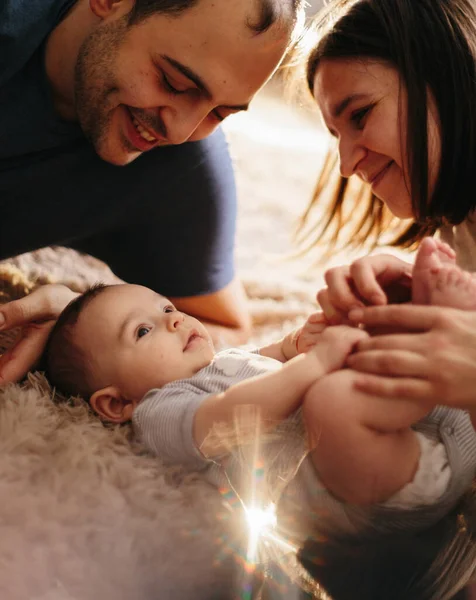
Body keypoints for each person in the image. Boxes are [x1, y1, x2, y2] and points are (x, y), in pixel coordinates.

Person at [41, 239, 476, 599]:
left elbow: (278, 354)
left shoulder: (224, 360)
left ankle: (436, 340)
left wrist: (302, 342)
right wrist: (315, 363)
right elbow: (228, 419)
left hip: (434, 425)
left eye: (167, 308)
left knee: (358, 351)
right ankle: (430, 344)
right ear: (116, 404)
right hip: (380, 486)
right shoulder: (158, 410)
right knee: (331, 399)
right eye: (143, 331)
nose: (172, 322)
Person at [0, 0, 305, 383]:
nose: (180, 132)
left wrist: (83, 333)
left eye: (220, 113)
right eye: (174, 83)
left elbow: (221, 324)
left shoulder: (177, 166)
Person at [297, 0, 476, 596]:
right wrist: (409, 296)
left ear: (443, 74)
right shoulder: (454, 231)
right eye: (335, 133)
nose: (347, 163)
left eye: (360, 115)